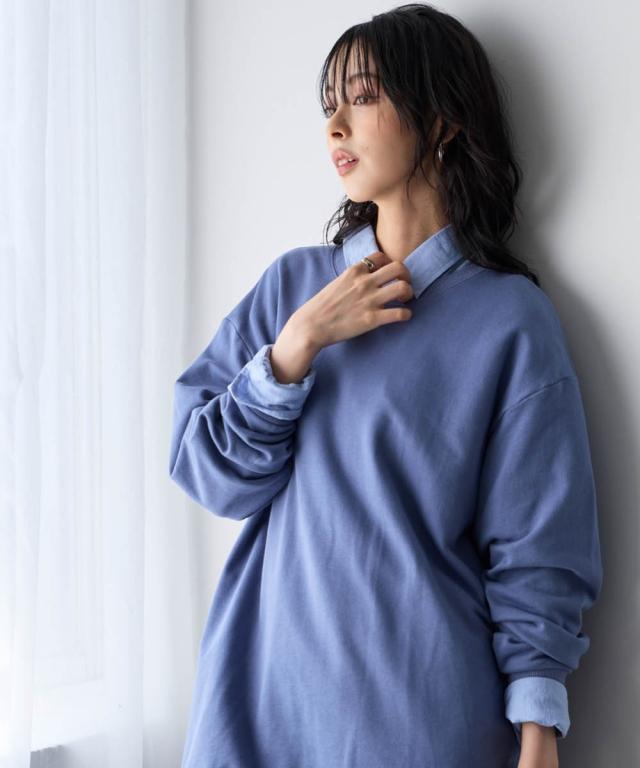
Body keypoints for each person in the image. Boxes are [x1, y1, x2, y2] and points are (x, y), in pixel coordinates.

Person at [169, 4, 603, 767]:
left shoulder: (509, 321)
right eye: (328, 106)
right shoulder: (292, 290)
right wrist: (294, 349)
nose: (335, 126)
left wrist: (539, 731)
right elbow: (207, 474)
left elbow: (539, 545)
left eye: (363, 97)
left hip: (424, 724)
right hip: (265, 713)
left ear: (441, 120)